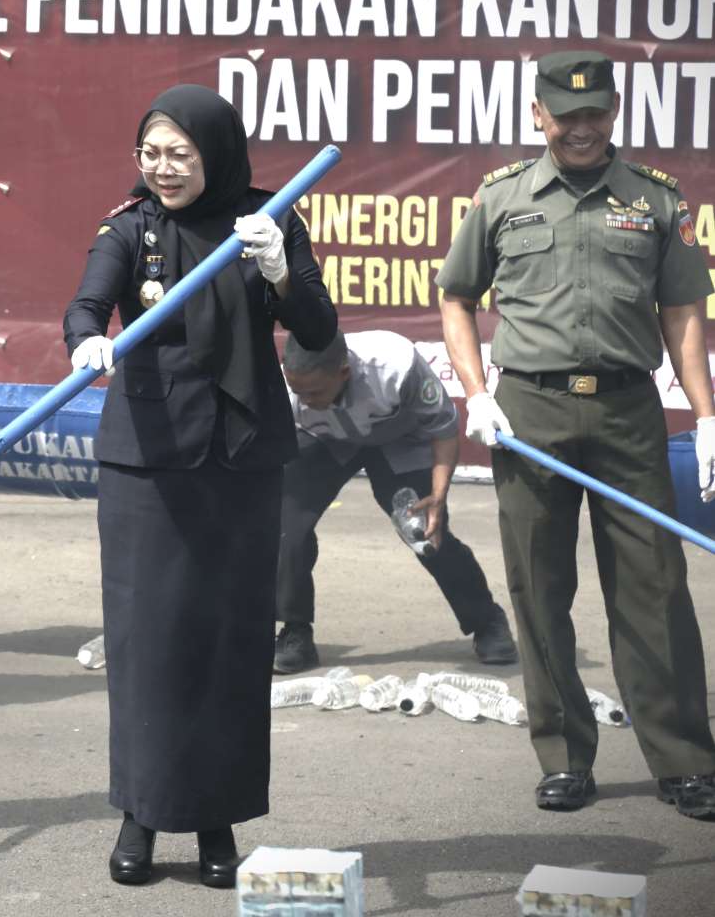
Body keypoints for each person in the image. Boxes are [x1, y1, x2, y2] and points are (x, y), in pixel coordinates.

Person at [63, 85, 337, 889]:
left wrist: (282, 272)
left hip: (242, 455)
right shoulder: (130, 227)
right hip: (147, 462)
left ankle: (217, 820)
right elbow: (85, 307)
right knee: (148, 645)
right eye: (151, 153)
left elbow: (319, 333)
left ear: (215, 153)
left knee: (229, 642)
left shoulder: (270, 217)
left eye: (180, 153)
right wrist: (88, 344)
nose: (163, 168)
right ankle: (141, 814)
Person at [438, 49, 715, 821]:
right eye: (567, 114)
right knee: (538, 586)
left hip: (629, 413)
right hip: (531, 415)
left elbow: (684, 313)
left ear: (615, 112)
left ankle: (685, 759)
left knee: (656, 587)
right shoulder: (501, 198)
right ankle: (563, 756)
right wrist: (476, 394)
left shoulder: (655, 201)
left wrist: (707, 414)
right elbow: (457, 296)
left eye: (596, 113)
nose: (582, 128)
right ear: (539, 116)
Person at [273, 329, 518, 673]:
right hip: (327, 440)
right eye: (298, 391)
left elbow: (443, 427)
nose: (305, 399)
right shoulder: (284, 390)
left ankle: (487, 621)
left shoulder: (395, 364)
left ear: (343, 371)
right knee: (285, 528)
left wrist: (437, 496)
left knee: (426, 533)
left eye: (314, 391)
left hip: (399, 439)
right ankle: (295, 630)